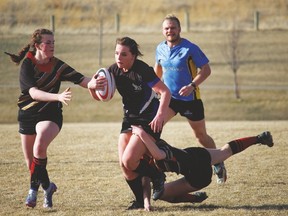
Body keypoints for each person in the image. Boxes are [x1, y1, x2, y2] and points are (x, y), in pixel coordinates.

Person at [5, 28, 104, 208]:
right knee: (32, 163)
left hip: (50, 114)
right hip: (27, 113)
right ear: (37, 45)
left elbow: (81, 79)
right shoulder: (28, 64)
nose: (52, 46)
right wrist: (58, 96)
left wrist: (94, 83)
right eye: (47, 42)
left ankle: (32, 192)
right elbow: (33, 93)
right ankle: (48, 187)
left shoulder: (58, 65)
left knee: (40, 144)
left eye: (53, 42)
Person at [88, 37, 171, 210]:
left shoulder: (143, 70)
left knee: (129, 160)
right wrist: (92, 87)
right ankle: (140, 201)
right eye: (117, 53)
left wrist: (161, 114)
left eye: (123, 54)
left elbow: (165, 92)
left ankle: (157, 175)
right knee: (124, 166)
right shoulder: (113, 71)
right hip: (130, 120)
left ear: (133, 56)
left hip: (150, 119)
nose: (119, 57)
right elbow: (101, 97)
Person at [154, 14, 227, 184]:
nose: (169, 31)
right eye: (166, 28)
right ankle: (155, 168)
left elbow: (206, 70)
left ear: (179, 29)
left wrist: (191, 86)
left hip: (190, 100)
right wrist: (155, 89)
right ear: (163, 31)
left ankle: (218, 162)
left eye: (173, 28)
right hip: (169, 99)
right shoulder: (160, 48)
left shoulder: (190, 48)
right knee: (154, 128)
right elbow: (157, 70)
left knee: (201, 136)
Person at [131, 125, 274, 204]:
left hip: (199, 175)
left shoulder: (159, 151)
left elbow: (159, 155)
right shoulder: (148, 156)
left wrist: (140, 133)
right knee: (225, 151)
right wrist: (146, 203)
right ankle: (260, 138)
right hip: (196, 154)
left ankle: (195, 198)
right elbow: (145, 180)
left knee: (162, 194)